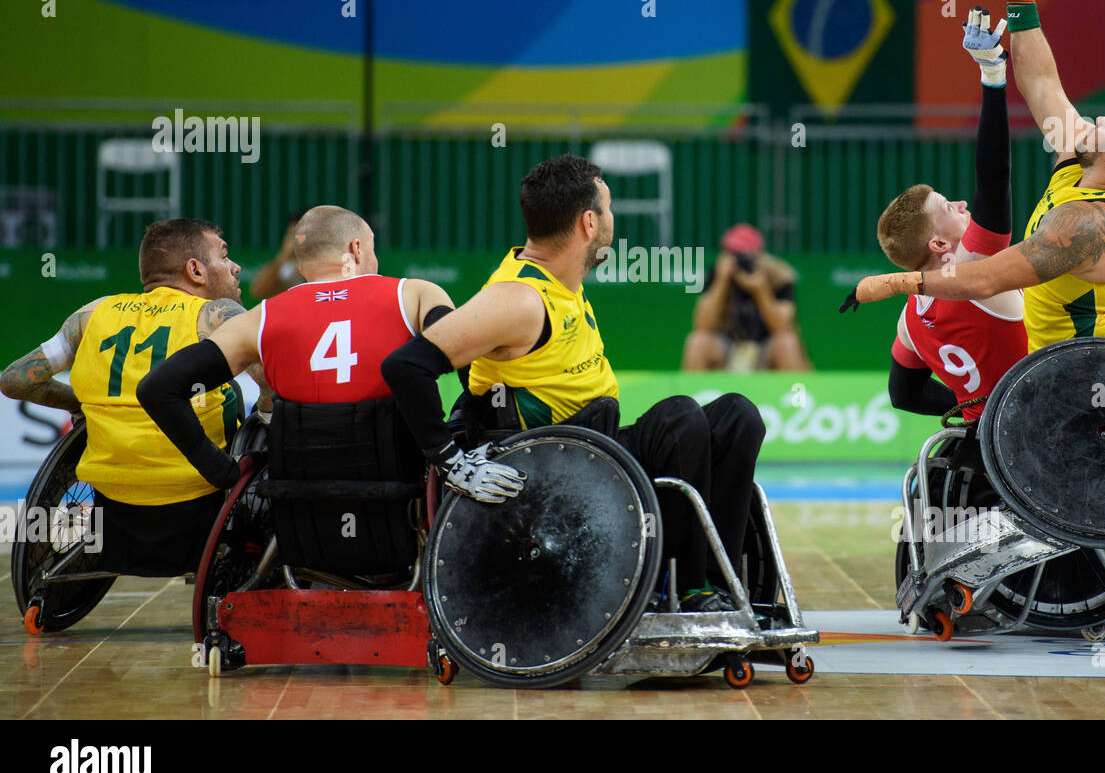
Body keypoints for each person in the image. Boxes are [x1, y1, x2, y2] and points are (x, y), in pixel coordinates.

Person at [380, 154, 764, 612]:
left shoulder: (561, 280)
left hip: (594, 450)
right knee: (679, 415)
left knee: (738, 415)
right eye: (609, 209)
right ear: (588, 223)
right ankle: (683, 590)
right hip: (555, 473)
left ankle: (725, 586)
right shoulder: (517, 300)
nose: (612, 220)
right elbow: (405, 366)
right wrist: (452, 463)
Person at [843, 0, 1105, 355]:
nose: (1100, 118)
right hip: (1067, 368)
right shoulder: (1081, 164)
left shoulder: (1092, 223)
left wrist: (894, 282)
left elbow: (986, 278)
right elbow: (1042, 83)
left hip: (1104, 375)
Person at [0, 219, 259, 576]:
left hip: (113, 505)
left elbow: (14, 381)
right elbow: (274, 385)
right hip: (199, 499)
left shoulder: (93, 314)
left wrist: (78, 403)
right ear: (196, 270)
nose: (235, 267)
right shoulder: (218, 316)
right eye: (224, 256)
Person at [138, 205, 453, 490]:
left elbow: (159, 388)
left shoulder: (260, 317)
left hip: (298, 493)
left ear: (301, 264)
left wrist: (222, 472)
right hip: (398, 481)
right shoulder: (414, 293)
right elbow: (468, 358)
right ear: (356, 249)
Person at [847, 7, 1027, 421]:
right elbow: (993, 179)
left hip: (984, 444)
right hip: (1033, 441)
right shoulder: (974, 267)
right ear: (940, 245)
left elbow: (903, 395)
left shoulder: (911, 317)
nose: (964, 204)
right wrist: (993, 78)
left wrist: (979, 410)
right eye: (949, 207)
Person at [682, 223, 811, 371]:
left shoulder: (779, 275)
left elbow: (782, 326)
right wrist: (721, 282)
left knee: (787, 342)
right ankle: (695, 393)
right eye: (734, 253)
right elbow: (703, 324)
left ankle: (796, 393)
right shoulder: (718, 272)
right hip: (727, 349)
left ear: (760, 255)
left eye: (745, 254)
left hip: (765, 350)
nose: (740, 260)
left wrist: (761, 291)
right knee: (697, 341)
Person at [249, 210, 307, 300]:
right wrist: (285, 253)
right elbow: (258, 292)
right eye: (292, 234)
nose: (297, 239)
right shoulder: (286, 266)